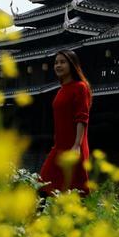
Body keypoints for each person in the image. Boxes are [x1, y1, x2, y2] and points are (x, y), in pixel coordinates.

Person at [38, 49, 92, 197]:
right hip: (59, 147)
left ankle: (84, 219)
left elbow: (82, 118)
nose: (58, 65)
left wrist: (76, 145)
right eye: (56, 63)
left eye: (63, 62)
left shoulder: (81, 87)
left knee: (76, 193)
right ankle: (35, 219)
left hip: (74, 147)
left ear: (72, 64)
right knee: (43, 186)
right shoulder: (61, 90)